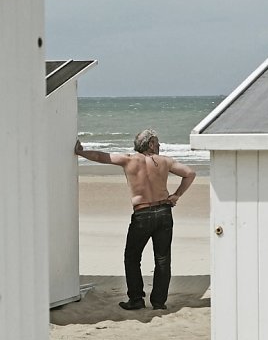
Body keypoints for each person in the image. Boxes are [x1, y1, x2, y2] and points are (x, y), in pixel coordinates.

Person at [75, 129, 196, 310]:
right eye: (157, 142)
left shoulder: (129, 160)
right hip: (164, 211)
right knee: (162, 259)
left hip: (142, 213)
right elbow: (190, 173)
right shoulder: (165, 161)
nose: (160, 145)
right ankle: (158, 302)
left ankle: (136, 299)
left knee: (132, 257)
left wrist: (81, 152)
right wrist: (176, 195)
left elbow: (102, 157)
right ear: (150, 144)